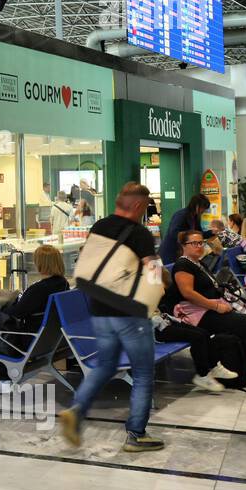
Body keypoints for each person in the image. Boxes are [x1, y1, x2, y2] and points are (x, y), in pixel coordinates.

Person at [59, 182, 164, 453]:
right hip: (129, 313)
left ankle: (76, 411)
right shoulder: (139, 233)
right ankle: (136, 434)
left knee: (105, 366)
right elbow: (153, 273)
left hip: (98, 309)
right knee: (142, 372)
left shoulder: (99, 226)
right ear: (139, 206)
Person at [171, 230, 246, 389]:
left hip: (209, 308)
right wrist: (216, 306)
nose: (199, 246)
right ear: (183, 246)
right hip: (198, 314)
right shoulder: (183, 265)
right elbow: (188, 294)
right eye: (194, 243)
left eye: (201, 242)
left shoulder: (198, 263)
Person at [0, 244, 69, 394]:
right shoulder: (62, 284)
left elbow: (15, 313)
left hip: (24, 341)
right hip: (47, 341)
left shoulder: (38, 289)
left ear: (41, 264)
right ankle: (4, 381)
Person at [154, 268, 240, 393]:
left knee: (203, 333)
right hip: (154, 330)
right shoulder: (147, 289)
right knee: (197, 337)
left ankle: (213, 366)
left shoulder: (154, 283)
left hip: (164, 321)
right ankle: (203, 375)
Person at [159, 193, 211, 265]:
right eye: (203, 208)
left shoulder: (196, 217)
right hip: (172, 251)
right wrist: (189, 238)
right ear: (197, 205)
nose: (203, 211)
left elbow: (199, 234)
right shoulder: (181, 215)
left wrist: (212, 232)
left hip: (183, 252)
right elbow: (173, 232)